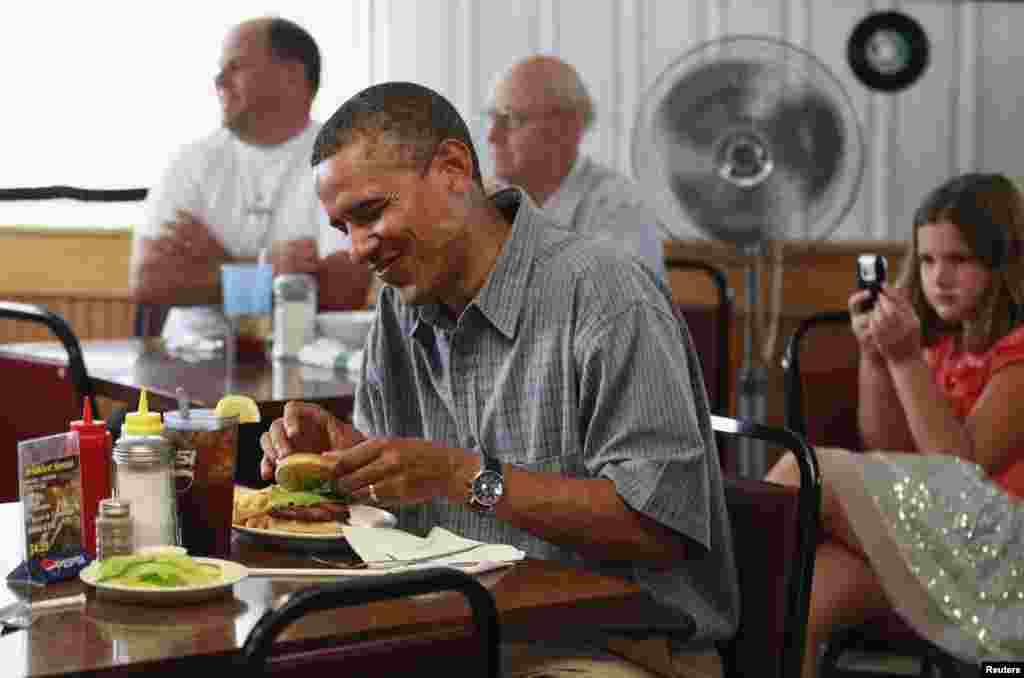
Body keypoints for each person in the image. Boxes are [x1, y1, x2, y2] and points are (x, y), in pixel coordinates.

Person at [259, 81, 739, 678]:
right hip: (453, 633)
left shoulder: (603, 294)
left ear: (454, 170)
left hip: (614, 648)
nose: (357, 250)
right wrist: (345, 459)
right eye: (341, 229)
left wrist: (464, 477)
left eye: (372, 212)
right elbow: (393, 512)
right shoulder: (398, 307)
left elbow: (660, 525)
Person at [767, 172, 1024, 676]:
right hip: (948, 543)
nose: (939, 278)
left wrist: (906, 360)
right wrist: (876, 357)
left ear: (1004, 264)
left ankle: (699, 602)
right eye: (928, 260)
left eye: (960, 260)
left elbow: (960, 470)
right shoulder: (944, 347)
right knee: (799, 596)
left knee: (805, 469)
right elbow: (891, 450)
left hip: (1005, 554)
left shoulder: (1019, 354)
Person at [129, 16, 370, 341]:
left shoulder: (346, 163)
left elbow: (342, 293)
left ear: (291, 76)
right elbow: (149, 281)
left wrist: (217, 267)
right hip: (188, 366)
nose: (219, 79)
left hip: (303, 367)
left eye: (236, 67)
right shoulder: (188, 162)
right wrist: (265, 271)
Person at [485, 55, 668, 280]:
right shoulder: (489, 203)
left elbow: (603, 304)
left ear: (566, 128)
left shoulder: (620, 209)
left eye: (511, 120)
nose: (492, 136)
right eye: (492, 119)